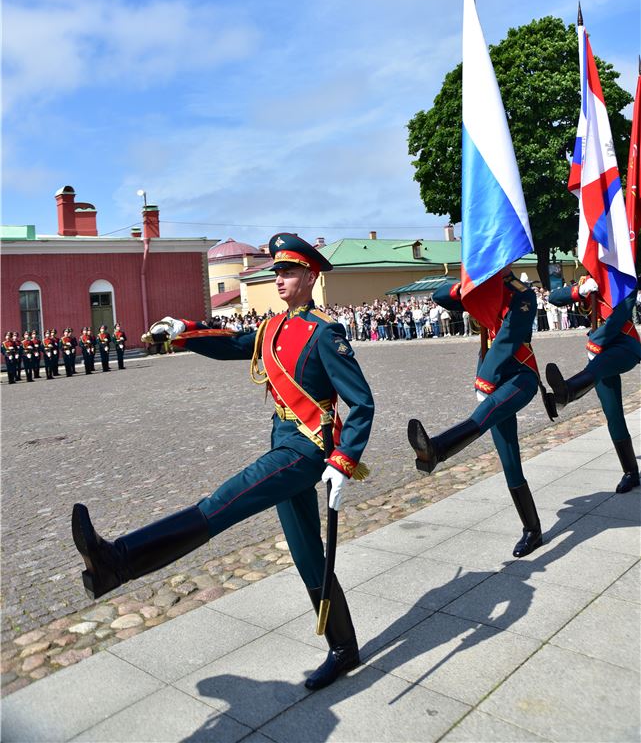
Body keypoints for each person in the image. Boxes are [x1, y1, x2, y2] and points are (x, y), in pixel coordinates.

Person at [71, 234, 374, 692]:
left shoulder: (325, 333)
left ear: (311, 276)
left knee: (223, 503)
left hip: (306, 449)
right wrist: (184, 330)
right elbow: (231, 342)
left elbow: (362, 402)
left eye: (289, 271)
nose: (280, 279)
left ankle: (119, 560)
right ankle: (344, 648)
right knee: (307, 554)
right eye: (277, 272)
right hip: (282, 439)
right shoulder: (272, 328)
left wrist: (344, 459)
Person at [408, 270, 548, 558]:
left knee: (485, 415)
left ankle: (438, 449)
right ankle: (532, 529)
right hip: (493, 379)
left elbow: (509, 337)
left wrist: (486, 377)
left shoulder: (521, 293)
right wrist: (466, 287)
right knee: (510, 460)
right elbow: (439, 296)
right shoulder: (481, 288)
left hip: (519, 376)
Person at [546, 276, 640, 493]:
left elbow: (620, 316)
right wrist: (579, 291)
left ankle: (568, 391)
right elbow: (554, 298)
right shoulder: (587, 280)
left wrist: (596, 342)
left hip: (624, 346)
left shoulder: (624, 278)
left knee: (597, 368)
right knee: (613, 414)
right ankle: (631, 472)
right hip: (598, 353)